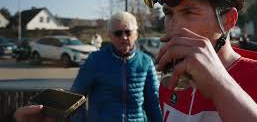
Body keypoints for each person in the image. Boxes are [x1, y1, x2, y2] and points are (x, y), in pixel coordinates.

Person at [15, 12, 162, 122]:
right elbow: (75, 98)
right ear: (110, 36)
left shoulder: (146, 61)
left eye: (128, 32)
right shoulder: (95, 60)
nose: (124, 37)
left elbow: (154, 103)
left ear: (135, 34)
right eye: (118, 33)